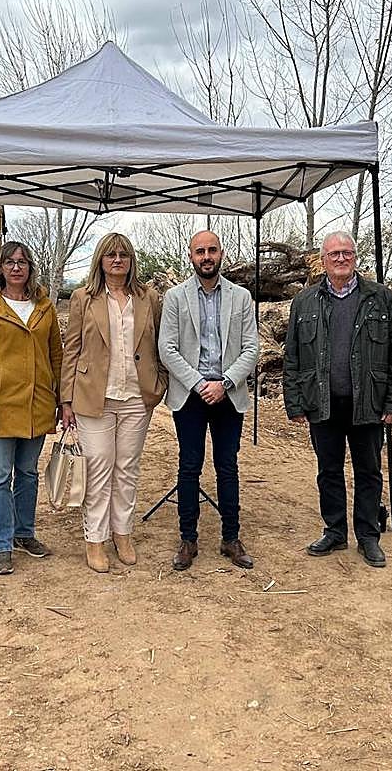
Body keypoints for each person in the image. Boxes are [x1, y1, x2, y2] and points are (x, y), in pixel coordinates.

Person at [282, 231, 392, 568]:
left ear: (356, 258)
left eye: (347, 253)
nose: (341, 259)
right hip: (322, 402)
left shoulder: (381, 299)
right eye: (334, 254)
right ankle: (335, 531)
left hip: (368, 402)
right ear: (322, 260)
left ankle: (368, 536)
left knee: (368, 471)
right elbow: (293, 357)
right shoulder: (305, 302)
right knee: (328, 471)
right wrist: (294, 403)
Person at [60, 233, 166, 573]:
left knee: (127, 469)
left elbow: (161, 345)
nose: (117, 260)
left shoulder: (149, 298)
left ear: (131, 260)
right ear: (101, 261)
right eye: (110, 255)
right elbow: (71, 350)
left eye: (123, 254)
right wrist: (65, 399)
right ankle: (95, 539)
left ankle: (123, 533)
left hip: (137, 397)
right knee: (99, 468)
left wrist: (158, 384)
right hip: (94, 397)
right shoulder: (82, 298)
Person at [159, 230, 259, 571]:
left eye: (211, 250)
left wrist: (225, 382)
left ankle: (231, 538)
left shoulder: (241, 297)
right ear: (191, 256)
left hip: (229, 393)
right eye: (200, 251)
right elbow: (167, 349)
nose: (206, 256)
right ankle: (188, 539)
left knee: (227, 466)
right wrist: (201, 383)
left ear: (221, 254)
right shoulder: (174, 297)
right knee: (189, 466)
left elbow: (251, 349)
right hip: (190, 393)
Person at [0, 241, 62, 576]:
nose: (17, 267)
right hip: (0, 407)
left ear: (30, 266)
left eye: (22, 262)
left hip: (37, 404)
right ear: (0, 267)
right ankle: (1, 545)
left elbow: (56, 356)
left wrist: (60, 399)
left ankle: (25, 533)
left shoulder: (45, 305)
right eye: (10, 262)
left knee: (28, 473)